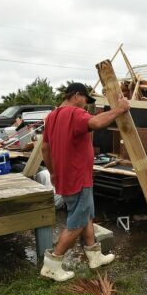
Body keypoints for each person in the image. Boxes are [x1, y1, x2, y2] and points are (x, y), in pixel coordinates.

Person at [40, 82, 130, 281]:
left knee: (86, 215)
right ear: (77, 95)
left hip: (65, 175)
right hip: (77, 177)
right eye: (85, 100)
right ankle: (52, 264)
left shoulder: (52, 116)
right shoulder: (73, 113)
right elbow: (97, 123)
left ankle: (95, 256)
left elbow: (45, 148)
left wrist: (53, 173)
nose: (85, 106)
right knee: (77, 221)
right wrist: (120, 109)